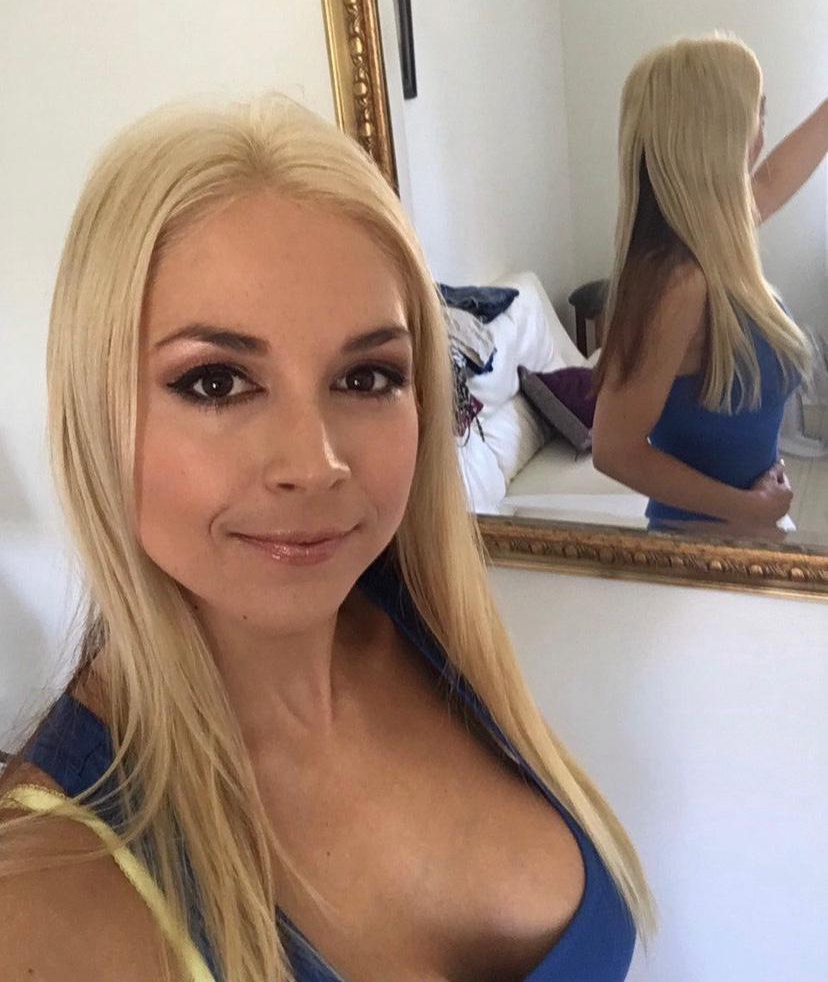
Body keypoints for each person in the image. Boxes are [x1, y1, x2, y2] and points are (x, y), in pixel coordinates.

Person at [0, 97, 653, 982]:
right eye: (217, 382)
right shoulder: (40, 898)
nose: (316, 465)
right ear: (95, 412)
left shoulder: (423, 626)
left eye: (367, 376)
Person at [592, 34, 826, 531]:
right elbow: (614, 450)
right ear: (718, 134)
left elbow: (772, 179)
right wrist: (749, 509)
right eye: (757, 113)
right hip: (702, 544)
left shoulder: (715, 239)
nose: (761, 132)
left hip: (747, 529)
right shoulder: (679, 282)